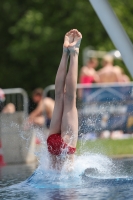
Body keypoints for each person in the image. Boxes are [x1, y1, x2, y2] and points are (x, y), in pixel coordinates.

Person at [47, 29, 82, 171]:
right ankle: (70, 52)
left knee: (67, 97)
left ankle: (70, 53)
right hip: (57, 144)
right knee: (62, 96)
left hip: (55, 144)